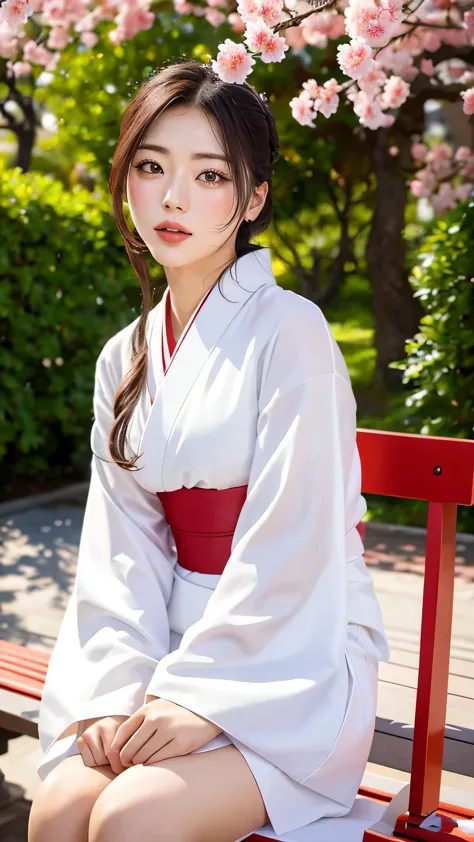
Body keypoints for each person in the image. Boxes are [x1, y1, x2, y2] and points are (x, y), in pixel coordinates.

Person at [29, 58, 389, 842]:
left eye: (210, 175)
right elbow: (120, 557)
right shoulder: (122, 357)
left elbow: (297, 547)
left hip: (293, 661)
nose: (173, 197)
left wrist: (202, 699)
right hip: (163, 650)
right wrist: (111, 691)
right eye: (152, 167)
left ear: (254, 197)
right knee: (58, 809)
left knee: (131, 817)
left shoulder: (291, 332)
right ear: (126, 179)